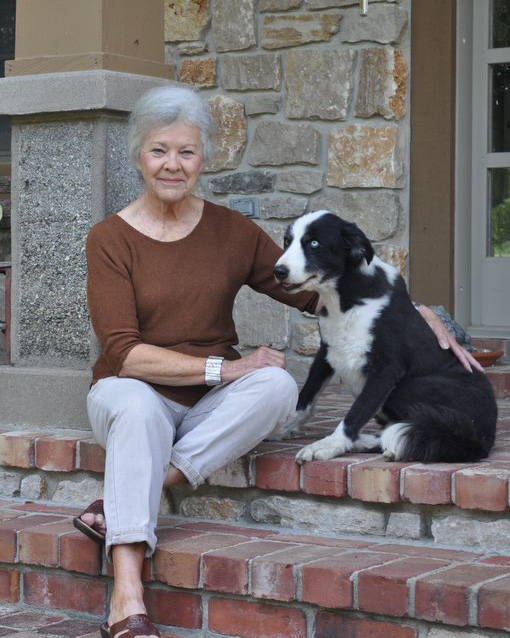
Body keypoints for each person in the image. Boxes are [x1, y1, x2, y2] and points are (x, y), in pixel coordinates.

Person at [74, 85, 482, 638]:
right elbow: (124, 352)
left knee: (276, 388)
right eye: (159, 150)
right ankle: (127, 595)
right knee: (141, 409)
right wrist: (225, 369)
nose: (173, 164)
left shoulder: (230, 230)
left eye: (187, 152)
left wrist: (412, 309)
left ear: (205, 159)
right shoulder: (110, 238)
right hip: (129, 390)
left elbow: (316, 288)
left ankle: (131, 493)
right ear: (137, 156)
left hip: (206, 406)